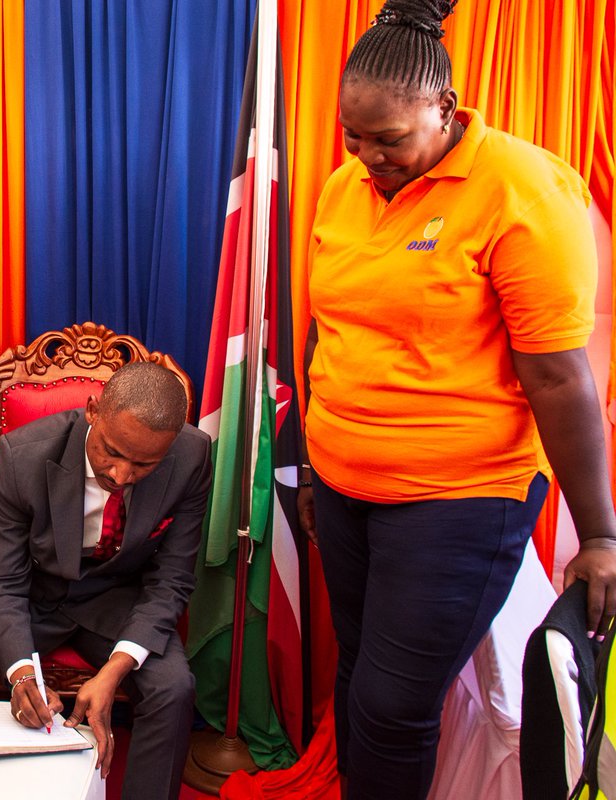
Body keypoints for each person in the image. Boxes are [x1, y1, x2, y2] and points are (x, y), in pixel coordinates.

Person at [299, 1, 616, 798]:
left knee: (393, 704)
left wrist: (604, 536)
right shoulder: (345, 187)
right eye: (353, 136)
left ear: (445, 107)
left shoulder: (524, 191)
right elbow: (326, 333)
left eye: (390, 139)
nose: (368, 155)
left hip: (456, 498)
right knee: (359, 677)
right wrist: (312, 464)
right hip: (344, 487)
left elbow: (558, 376)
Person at [0, 362, 213, 800]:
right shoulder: (21, 453)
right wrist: (22, 674)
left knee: (174, 687)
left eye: (143, 464)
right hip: (29, 587)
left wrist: (113, 672)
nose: (121, 475)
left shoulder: (192, 455)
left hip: (114, 596)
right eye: (112, 452)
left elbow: (173, 578)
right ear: (92, 411)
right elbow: (4, 579)